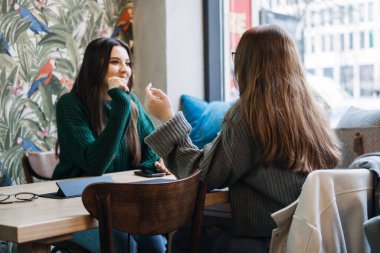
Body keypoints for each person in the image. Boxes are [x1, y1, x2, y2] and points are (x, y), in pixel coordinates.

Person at [144, 25, 341, 253]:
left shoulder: (250, 113)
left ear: (247, 63)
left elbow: (199, 176)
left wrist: (167, 117)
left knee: (185, 236)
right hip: (305, 239)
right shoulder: (312, 112)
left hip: (266, 241)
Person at [53, 37, 168, 253]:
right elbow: (95, 165)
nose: (124, 70)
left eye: (128, 63)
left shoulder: (131, 102)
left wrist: (151, 165)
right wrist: (121, 103)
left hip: (123, 204)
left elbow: (153, 146)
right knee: (126, 245)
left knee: (155, 245)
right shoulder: (70, 105)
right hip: (78, 208)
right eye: (115, 62)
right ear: (95, 65)